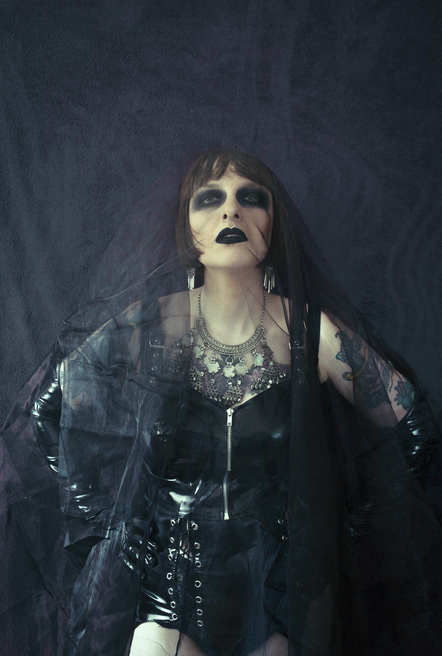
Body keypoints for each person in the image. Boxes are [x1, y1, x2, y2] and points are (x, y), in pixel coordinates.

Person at [2, 150, 442, 656]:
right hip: (168, 592)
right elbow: (47, 413)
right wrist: (108, 526)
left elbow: (414, 427)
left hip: (287, 597)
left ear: (274, 224)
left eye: (250, 198)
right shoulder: (148, 326)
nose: (231, 210)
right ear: (186, 228)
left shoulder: (312, 333)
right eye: (209, 199)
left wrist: (345, 531)